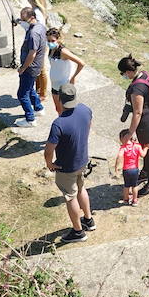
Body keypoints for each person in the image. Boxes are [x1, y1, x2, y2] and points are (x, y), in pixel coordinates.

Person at [44, 84, 95, 244]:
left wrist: (49, 163)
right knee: (81, 188)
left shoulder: (58, 124)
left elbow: (49, 149)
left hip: (66, 167)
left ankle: (78, 232)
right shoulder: (85, 110)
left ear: (60, 99)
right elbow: (89, 125)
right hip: (82, 160)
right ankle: (89, 220)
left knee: (70, 197)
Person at [119, 55, 149, 196]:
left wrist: (130, 133)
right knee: (147, 149)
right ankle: (145, 172)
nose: (123, 76)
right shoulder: (144, 74)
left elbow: (137, 113)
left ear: (128, 71)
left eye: (122, 73)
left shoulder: (137, 88)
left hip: (146, 123)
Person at [13, 7, 46, 126]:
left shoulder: (33, 33)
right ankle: (38, 108)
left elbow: (32, 53)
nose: (23, 21)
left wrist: (23, 68)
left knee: (22, 94)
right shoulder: (40, 26)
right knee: (30, 88)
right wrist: (18, 21)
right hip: (37, 65)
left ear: (31, 17)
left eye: (24, 19)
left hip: (30, 67)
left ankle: (30, 119)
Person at [46, 27, 86, 112]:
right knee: (58, 109)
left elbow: (81, 63)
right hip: (54, 85)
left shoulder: (63, 51)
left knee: (66, 110)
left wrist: (73, 77)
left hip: (64, 86)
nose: (50, 43)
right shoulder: (51, 49)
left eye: (52, 41)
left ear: (58, 39)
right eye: (48, 41)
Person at [117, 129, 148, 206]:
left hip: (126, 170)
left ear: (123, 138)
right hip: (135, 169)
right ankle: (135, 200)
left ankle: (126, 199)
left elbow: (119, 156)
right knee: (135, 185)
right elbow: (143, 154)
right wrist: (146, 148)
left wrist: (117, 166)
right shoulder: (137, 146)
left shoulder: (123, 148)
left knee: (126, 186)